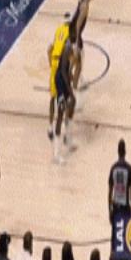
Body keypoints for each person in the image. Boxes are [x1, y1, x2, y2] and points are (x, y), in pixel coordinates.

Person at [53, 27, 77, 163]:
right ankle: (56, 154)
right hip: (60, 81)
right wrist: (70, 90)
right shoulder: (67, 47)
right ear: (71, 33)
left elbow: (67, 68)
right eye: (75, 33)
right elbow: (62, 71)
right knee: (61, 113)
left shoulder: (71, 45)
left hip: (64, 78)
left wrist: (71, 73)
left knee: (71, 106)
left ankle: (68, 139)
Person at [70, 0, 95, 106]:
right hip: (75, 33)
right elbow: (78, 24)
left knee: (79, 59)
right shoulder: (85, 6)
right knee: (78, 61)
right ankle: (73, 95)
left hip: (74, 32)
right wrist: (75, 43)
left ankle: (77, 79)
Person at [47, 13, 71, 141]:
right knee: (66, 99)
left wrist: (50, 64)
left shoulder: (58, 31)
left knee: (53, 97)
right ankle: (66, 131)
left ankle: (50, 127)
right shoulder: (70, 33)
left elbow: (49, 48)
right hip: (62, 65)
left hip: (54, 63)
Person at [108, 139, 131, 250]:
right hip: (125, 208)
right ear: (125, 152)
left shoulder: (113, 168)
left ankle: (113, 256)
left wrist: (109, 210)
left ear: (118, 151)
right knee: (125, 237)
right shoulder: (129, 169)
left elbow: (109, 192)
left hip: (115, 207)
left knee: (115, 236)